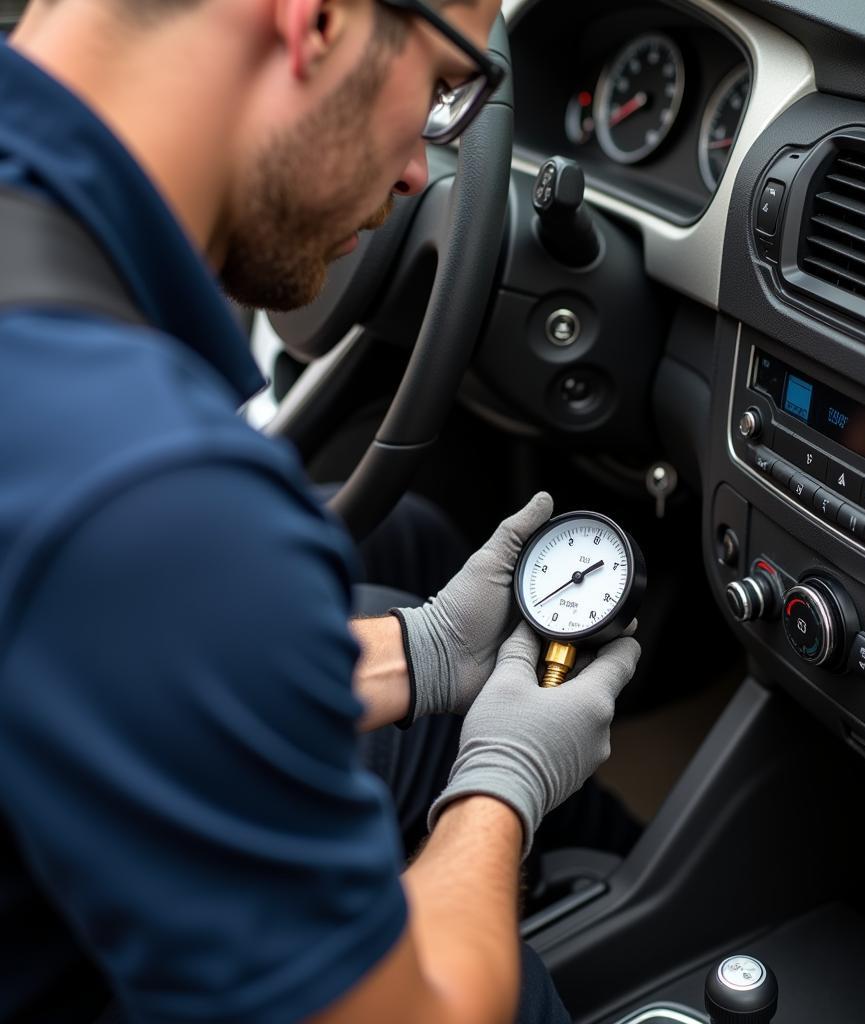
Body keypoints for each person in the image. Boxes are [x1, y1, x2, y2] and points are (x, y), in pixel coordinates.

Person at [0, 0, 642, 1022]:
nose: (418, 176)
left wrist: (418, 652)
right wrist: (502, 788)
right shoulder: (149, 498)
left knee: (403, 573)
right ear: (319, 20)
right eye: (442, 89)